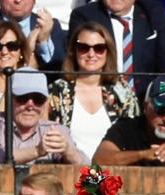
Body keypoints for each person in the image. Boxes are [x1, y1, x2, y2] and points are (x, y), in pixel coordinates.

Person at [45, 21, 140, 162]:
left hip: (114, 175)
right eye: (83, 47)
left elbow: (134, 138)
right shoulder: (57, 91)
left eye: (99, 48)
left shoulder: (122, 91)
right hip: (68, 173)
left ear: (108, 52)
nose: (91, 54)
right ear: (73, 50)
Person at [0, 67, 86, 164]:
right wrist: (37, 151)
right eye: (23, 98)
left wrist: (67, 151)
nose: (30, 105)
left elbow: (85, 165)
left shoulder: (57, 130)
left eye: (38, 99)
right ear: (8, 98)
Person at [92, 75, 165, 167]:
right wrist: (143, 155)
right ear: (145, 106)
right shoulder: (127, 127)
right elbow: (99, 159)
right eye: (161, 110)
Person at [68, 0, 165, 96]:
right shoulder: (85, 15)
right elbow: (76, 60)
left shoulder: (151, 14)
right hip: (103, 97)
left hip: (144, 101)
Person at [0, 0, 64, 71]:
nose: (18, 1)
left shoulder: (50, 26)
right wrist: (27, 51)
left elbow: (60, 72)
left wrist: (43, 42)